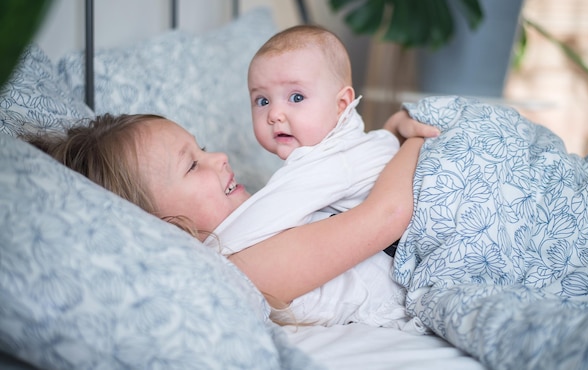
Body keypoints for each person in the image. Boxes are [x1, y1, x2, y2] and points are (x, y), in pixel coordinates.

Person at [25, 109, 435, 329]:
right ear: (164, 228)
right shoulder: (244, 267)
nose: (219, 157)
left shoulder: (256, 222)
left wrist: (388, 132)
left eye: (201, 148)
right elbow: (386, 216)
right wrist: (410, 138)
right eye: (192, 166)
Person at [211, 25, 416, 256]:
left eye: (296, 97)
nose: (274, 114)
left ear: (341, 105)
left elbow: (263, 216)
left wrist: (210, 248)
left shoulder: (328, 163)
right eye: (262, 101)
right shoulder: (357, 144)